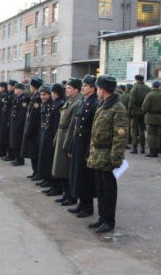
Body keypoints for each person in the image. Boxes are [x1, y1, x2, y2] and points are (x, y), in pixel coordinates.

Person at [87, 75, 128, 233]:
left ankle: (109, 220)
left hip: (108, 154)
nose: (97, 91)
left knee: (108, 190)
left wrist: (116, 158)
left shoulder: (117, 108)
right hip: (98, 154)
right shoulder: (103, 105)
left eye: (97, 88)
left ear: (102, 90)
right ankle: (102, 217)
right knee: (100, 189)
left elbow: (121, 135)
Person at [68, 75, 99, 218]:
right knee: (77, 174)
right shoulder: (82, 102)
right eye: (83, 85)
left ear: (93, 88)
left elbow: (94, 130)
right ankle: (81, 202)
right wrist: (71, 146)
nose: (83, 88)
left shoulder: (94, 104)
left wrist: (89, 150)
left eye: (86, 85)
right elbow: (76, 126)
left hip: (86, 142)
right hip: (78, 142)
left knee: (85, 176)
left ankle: (88, 206)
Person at [52, 78, 83, 206]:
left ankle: (71, 196)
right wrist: (56, 138)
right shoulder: (70, 101)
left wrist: (67, 144)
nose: (67, 90)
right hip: (61, 135)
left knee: (66, 168)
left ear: (76, 90)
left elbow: (72, 126)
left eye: (69, 88)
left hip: (67, 138)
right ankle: (66, 193)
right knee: (60, 167)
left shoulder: (77, 103)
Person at [39, 83, 65, 195]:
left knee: (52, 161)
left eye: (52, 92)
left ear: (55, 93)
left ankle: (56, 186)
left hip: (52, 135)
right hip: (47, 133)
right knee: (47, 159)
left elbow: (56, 123)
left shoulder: (60, 103)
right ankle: (51, 183)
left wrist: (55, 139)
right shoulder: (55, 103)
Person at [22, 77, 43, 177]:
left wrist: (28, 130)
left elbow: (34, 116)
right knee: (32, 151)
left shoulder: (37, 98)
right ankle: (35, 171)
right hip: (33, 128)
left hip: (35, 130)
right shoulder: (35, 96)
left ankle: (37, 172)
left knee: (34, 152)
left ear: (33, 87)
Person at [142, 81, 161, 158]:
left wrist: (145, 112)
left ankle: (152, 150)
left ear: (152, 86)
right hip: (160, 117)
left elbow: (145, 107)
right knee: (158, 134)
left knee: (150, 134)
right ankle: (157, 149)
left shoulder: (150, 95)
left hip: (150, 117)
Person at [128, 75, 151, 154]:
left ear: (136, 79)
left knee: (134, 128)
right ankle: (142, 147)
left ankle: (135, 147)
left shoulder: (135, 87)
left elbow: (132, 100)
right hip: (144, 111)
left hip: (135, 110)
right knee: (142, 129)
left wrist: (129, 110)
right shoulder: (148, 88)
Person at [10, 83, 30, 166]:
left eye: (16, 89)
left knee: (18, 142)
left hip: (19, 124)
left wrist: (18, 125)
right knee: (14, 141)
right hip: (14, 122)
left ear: (21, 89)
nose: (15, 90)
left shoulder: (23, 99)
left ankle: (20, 159)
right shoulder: (18, 98)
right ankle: (17, 158)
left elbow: (22, 114)